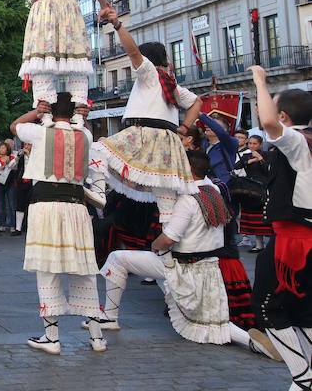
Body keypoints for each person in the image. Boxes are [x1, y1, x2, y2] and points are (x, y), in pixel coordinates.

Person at [96, 150, 280, 359]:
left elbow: (169, 238)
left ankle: (110, 316)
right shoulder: (213, 190)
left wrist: (155, 245)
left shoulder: (188, 199)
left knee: (117, 258)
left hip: (182, 266)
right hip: (208, 266)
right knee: (212, 321)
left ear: (187, 170)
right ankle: (253, 342)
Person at [11, 95, 106, 355]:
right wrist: (78, 116)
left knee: (48, 268)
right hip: (76, 207)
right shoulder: (85, 136)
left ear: (50, 112)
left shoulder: (40, 133)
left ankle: (52, 337)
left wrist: (36, 112)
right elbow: (80, 126)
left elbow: (14, 126)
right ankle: (97, 337)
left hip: (45, 206)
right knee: (84, 270)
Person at [94, 8, 202, 222]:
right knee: (166, 201)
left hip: (145, 133)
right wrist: (183, 127)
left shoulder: (150, 74)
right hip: (169, 141)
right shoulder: (172, 85)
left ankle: (98, 192)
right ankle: (169, 248)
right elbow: (197, 102)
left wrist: (117, 25)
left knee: (96, 150)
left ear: (148, 60)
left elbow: (133, 53)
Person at [247, 66, 312, 389]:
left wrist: (260, 81)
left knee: (266, 308)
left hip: (295, 241)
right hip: (300, 237)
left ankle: (302, 376)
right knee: (303, 311)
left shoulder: (297, 142)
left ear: (284, 115)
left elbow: (269, 123)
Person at [235, 134, 272, 253]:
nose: (252, 146)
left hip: (264, 187)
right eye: (250, 143)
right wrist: (250, 160)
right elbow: (236, 166)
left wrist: (260, 158)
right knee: (252, 216)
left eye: (254, 143)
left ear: (260, 144)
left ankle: (271, 244)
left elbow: (269, 169)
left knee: (264, 215)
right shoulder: (246, 156)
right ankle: (259, 244)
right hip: (251, 188)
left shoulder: (267, 155)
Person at [201, 113, 238, 185]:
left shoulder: (230, 144)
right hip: (203, 186)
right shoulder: (203, 143)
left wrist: (200, 115)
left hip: (222, 185)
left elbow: (221, 133)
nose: (207, 125)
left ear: (224, 129)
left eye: (213, 124)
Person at [0, 142, 17, 232]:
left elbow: (15, 169)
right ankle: (2, 223)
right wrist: (2, 166)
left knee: (11, 204)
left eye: (4, 148)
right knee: (0, 203)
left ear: (7, 149)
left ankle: (12, 224)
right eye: (1, 148)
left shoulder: (12, 158)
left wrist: (9, 164)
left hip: (10, 183)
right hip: (0, 183)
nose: (2, 149)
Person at [11, 143, 33, 236]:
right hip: (21, 182)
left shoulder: (35, 155)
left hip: (32, 183)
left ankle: (30, 227)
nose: (26, 147)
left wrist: (28, 155)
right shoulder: (20, 156)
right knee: (20, 204)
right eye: (25, 145)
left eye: (28, 145)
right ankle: (18, 228)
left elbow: (37, 166)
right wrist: (17, 157)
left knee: (32, 205)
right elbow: (11, 166)